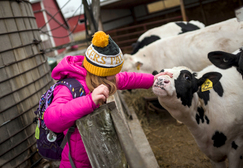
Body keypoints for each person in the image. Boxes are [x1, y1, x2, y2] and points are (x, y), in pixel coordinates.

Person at [44, 31, 172, 168]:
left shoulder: (101, 80)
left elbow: (127, 78)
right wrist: (89, 101)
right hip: (76, 162)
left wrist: (153, 79)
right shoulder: (70, 87)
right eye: (112, 73)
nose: (116, 76)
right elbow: (51, 118)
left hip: (97, 155)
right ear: (100, 72)